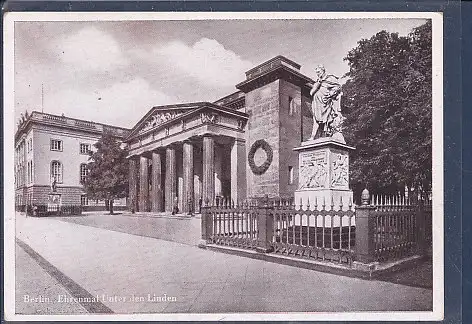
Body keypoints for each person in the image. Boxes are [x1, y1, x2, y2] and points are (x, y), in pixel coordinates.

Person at [310, 64, 342, 139]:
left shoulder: (330, 78)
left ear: (323, 70)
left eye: (319, 72)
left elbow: (338, 87)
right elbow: (311, 93)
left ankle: (325, 135)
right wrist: (318, 83)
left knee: (326, 118)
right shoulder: (318, 82)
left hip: (326, 102)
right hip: (317, 102)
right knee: (316, 119)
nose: (318, 74)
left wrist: (331, 93)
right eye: (317, 73)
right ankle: (313, 136)